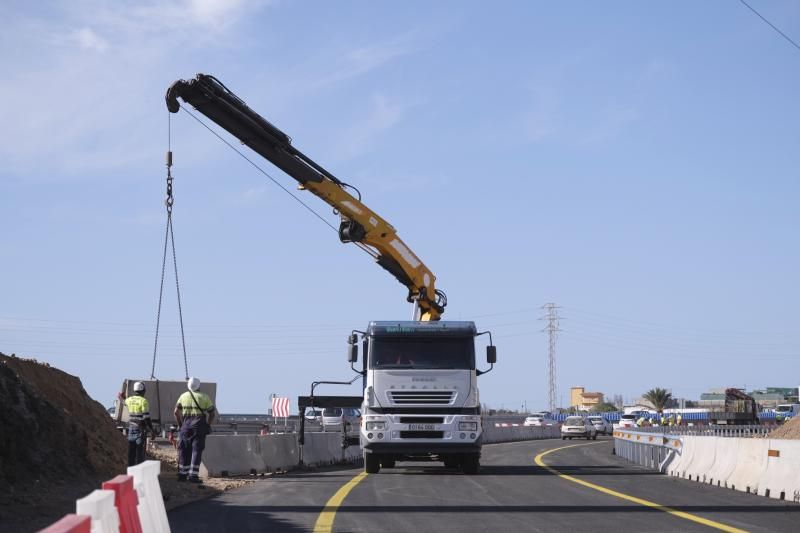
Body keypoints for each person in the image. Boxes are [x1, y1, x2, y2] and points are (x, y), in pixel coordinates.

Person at [174, 377, 216, 483]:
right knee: (196, 450)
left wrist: (180, 425)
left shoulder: (183, 396)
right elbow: (212, 413)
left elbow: (175, 412)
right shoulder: (204, 397)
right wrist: (208, 425)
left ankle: (183, 474)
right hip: (199, 428)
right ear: (199, 386)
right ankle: (193, 475)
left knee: (184, 450)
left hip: (185, 427)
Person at [121, 381, 155, 466]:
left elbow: (123, 401)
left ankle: (130, 473)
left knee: (131, 453)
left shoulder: (129, 400)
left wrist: (121, 397)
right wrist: (152, 430)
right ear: (143, 390)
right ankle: (139, 474)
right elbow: (146, 418)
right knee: (140, 454)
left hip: (131, 429)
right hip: (140, 430)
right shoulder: (144, 401)